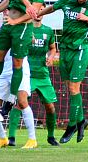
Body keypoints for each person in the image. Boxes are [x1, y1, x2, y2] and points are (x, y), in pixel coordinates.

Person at [37, 0, 88, 144]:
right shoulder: (67, 2)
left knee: (74, 88)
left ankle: (72, 125)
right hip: (64, 50)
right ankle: (81, 121)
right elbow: (53, 8)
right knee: (69, 86)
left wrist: (87, 19)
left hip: (79, 50)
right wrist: (39, 13)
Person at [15, 14, 59, 147]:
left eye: (41, 10)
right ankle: (11, 137)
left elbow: (53, 48)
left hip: (43, 75)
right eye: (37, 10)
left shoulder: (48, 30)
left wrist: (51, 57)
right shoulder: (25, 29)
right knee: (19, 104)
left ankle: (51, 136)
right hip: (27, 74)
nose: (39, 13)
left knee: (50, 107)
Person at [0, 51, 38, 149]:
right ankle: (2, 138)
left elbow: (32, 39)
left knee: (22, 102)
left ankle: (32, 139)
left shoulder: (23, 34)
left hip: (21, 67)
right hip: (4, 70)